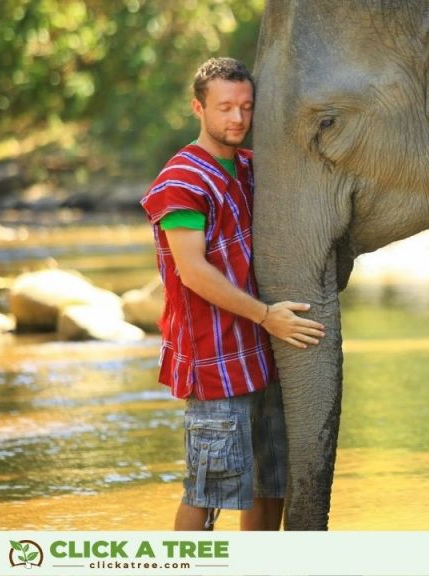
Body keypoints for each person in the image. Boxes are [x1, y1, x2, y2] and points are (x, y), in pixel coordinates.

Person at [140, 57, 325, 531]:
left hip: (265, 355)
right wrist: (266, 315)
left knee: (271, 487)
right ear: (197, 108)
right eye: (225, 107)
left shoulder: (248, 167)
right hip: (215, 360)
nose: (238, 118)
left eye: (246, 107)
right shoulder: (181, 183)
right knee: (208, 493)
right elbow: (193, 272)